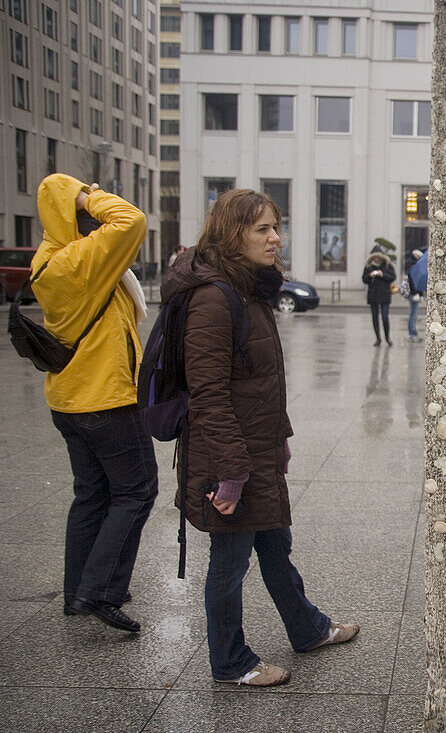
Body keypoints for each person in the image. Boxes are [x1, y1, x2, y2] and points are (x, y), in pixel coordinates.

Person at [162, 189, 359, 686]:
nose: (276, 238)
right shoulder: (214, 298)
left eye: (276, 227)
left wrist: (280, 439)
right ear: (234, 236)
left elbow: (260, 384)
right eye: (262, 230)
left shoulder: (247, 289)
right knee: (229, 564)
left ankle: (308, 629)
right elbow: (208, 394)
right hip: (229, 458)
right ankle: (230, 661)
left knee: (275, 545)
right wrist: (231, 474)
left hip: (256, 450)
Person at [32, 174, 157, 633]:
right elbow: (131, 219)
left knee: (91, 495)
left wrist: (76, 205)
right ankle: (101, 591)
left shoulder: (49, 256)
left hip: (67, 400)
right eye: (82, 200)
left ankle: (76, 592)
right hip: (105, 399)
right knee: (137, 491)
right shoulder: (82, 260)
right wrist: (90, 195)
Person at [363, 246, 396, 346]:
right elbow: (364, 279)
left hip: (385, 294)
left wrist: (382, 274)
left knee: (385, 317)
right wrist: (370, 275)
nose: (376, 259)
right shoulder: (369, 267)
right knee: (374, 317)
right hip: (373, 295)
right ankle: (378, 338)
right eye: (374, 257)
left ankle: (387, 338)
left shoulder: (387, 266)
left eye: (378, 257)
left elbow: (392, 277)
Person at [404, 245, 426, 342]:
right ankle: (412, 333)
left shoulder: (413, 265)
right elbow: (413, 282)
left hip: (415, 294)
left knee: (413, 313)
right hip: (413, 294)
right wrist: (417, 294)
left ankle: (413, 332)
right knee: (413, 314)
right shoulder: (413, 266)